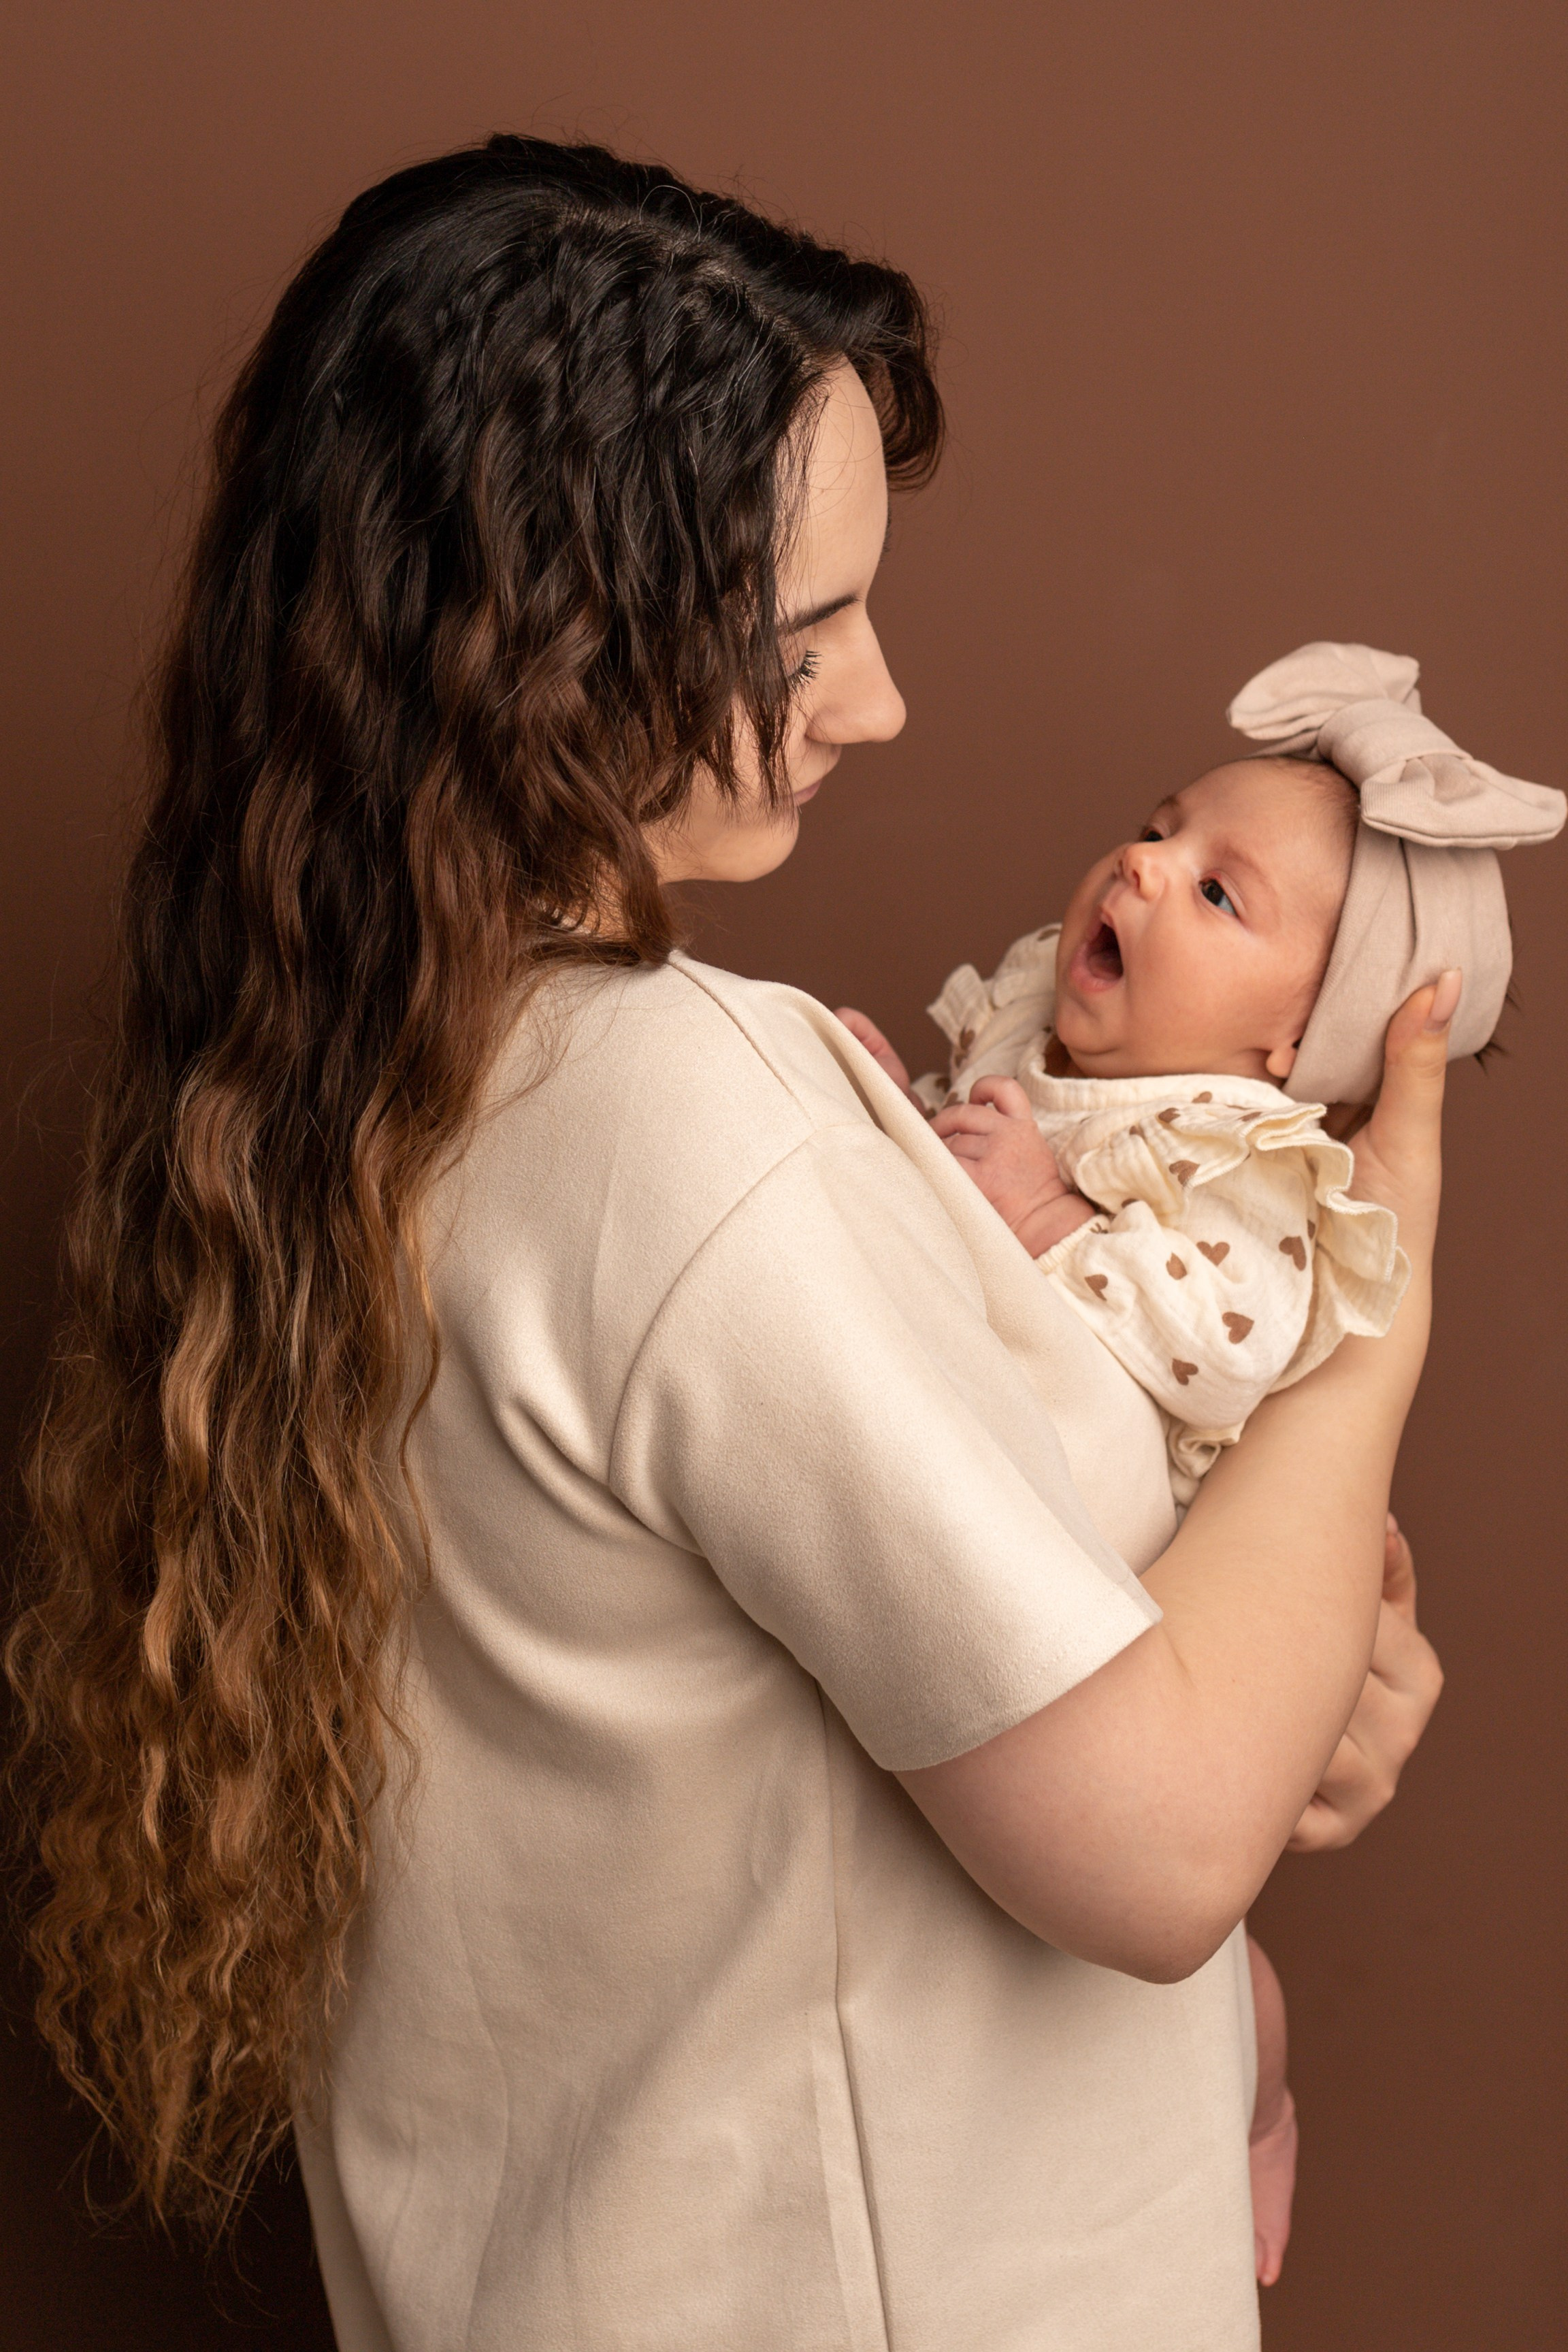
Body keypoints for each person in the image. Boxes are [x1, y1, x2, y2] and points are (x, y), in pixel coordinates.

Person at [6, 137, 1443, 2352]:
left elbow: (982, 1708)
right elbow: (1157, 1848)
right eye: (811, 631)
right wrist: (1374, 1300)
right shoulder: (681, 1116)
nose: (878, 701)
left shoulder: (376, 1087)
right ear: (551, 656)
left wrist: (1281, 1687)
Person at [838, 647, 1561, 2285]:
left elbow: (1210, 1337)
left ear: (1288, 1056)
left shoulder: (1251, 1180)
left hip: (1175, 1605)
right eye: (1164, 830)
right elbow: (955, 1219)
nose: (1146, 865)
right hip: (1040, 1655)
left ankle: (1256, 2120)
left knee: (1229, 1987)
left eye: (1219, 895)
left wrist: (1037, 1211)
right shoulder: (1065, 1051)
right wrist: (907, 1120)